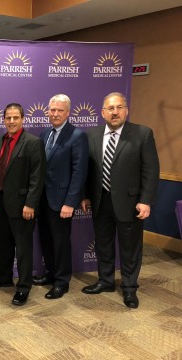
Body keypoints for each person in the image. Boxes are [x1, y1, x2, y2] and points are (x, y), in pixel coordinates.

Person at [81, 92, 159, 309]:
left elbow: (151, 170)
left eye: (119, 107)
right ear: (102, 112)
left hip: (130, 203)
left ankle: (129, 288)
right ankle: (105, 281)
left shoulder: (142, 134)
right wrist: (86, 195)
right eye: (110, 108)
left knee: (130, 248)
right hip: (101, 201)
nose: (115, 112)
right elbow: (89, 170)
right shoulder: (93, 135)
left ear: (126, 110)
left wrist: (146, 200)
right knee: (103, 245)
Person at [0, 103, 46, 306]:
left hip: (22, 206)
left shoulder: (33, 142)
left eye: (15, 118)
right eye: (8, 118)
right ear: (3, 120)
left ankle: (23, 287)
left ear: (22, 119)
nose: (11, 121)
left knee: (24, 248)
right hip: (0, 202)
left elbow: (37, 177)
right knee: (3, 244)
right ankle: (4, 278)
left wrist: (30, 204)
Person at [34, 94, 88, 299]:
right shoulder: (44, 133)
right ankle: (50, 273)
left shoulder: (77, 136)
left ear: (68, 112)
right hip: (43, 200)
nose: (55, 114)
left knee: (61, 242)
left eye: (60, 110)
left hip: (62, 202)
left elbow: (79, 172)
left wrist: (70, 202)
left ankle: (62, 281)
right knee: (46, 239)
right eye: (52, 110)